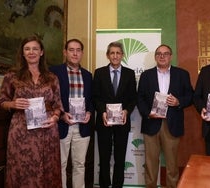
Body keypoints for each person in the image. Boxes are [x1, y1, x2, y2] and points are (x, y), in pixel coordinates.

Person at [0, 35, 63, 187]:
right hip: (21, 131)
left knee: (48, 168)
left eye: (35, 49)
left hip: (47, 130)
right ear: (22, 53)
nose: (31, 52)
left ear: (41, 52)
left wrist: (55, 118)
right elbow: (1, 102)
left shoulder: (52, 78)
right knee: (22, 168)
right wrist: (13, 104)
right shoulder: (12, 76)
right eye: (27, 49)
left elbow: (58, 105)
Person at [137, 44, 193, 188]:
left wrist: (178, 101)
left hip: (172, 125)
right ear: (155, 57)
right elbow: (140, 98)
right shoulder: (146, 75)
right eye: (159, 54)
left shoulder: (182, 74)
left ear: (171, 56)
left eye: (166, 53)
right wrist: (148, 113)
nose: (162, 56)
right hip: (151, 124)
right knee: (150, 164)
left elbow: (190, 96)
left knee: (172, 164)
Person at [49, 39, 93, 188]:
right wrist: (61, 115)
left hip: (82, 126)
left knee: (80, 165)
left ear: (82, 53)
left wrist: (89, 112)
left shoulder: (88, 75)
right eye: (71, 50)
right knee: (59, 164)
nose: (75, 53)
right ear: (65, 52)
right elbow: (49, 98)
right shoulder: (54, 72)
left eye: (78, 50)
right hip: (62, 124)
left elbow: (91, 99)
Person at [93, 41, 137, 188]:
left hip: (122, 122)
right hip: (104, 121)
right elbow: (95, 97)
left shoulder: (130, 74)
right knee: (104, 158)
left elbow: (133, 98)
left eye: (118, 53)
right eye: (112, 53)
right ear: (107, 55)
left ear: (122, 55)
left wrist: (126, 111)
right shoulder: (99, 73)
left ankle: (118, 186)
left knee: (120, 158)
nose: (115, 56)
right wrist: (103, 112)